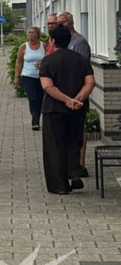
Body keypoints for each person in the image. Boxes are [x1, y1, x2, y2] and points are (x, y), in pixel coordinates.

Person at [40, 26, 95, 194]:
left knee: (55, 146)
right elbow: (90, 82)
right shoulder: (81, 60)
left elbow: (48, 87)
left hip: (54, 109)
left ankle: (60, 185)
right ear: (69, 40)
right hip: (77, 109)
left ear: (52, 41)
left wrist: (67, 100)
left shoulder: (47, 61)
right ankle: (75, 173)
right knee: (74, 142)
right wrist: (77, 99)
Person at [59, 11, 92, 175]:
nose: (61, 25)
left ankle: (79, 165)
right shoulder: (66, 42)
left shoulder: (79, 43)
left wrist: (78, 96)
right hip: (66, 94)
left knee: (78, 131)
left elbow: (83, 69)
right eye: (59, 23)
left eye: (63, 22)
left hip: (78, 92)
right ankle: (71, 164)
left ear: (71, 23)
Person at [14, 26, 47, 131]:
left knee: (40, 98)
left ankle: (38, 117)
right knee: (33, 98)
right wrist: (16, 77)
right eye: (29, 33)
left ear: (37, 34)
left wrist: (43, 63)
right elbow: (19, 62)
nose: (31, 35)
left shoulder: (44, 45)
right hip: (28, 76)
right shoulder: (24, 46)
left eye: (33, 33)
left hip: (41, 76)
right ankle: (35, 121)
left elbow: (49, 58)